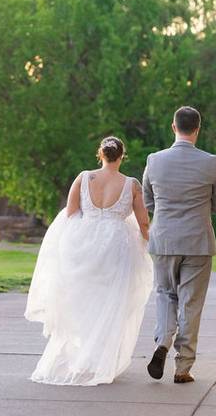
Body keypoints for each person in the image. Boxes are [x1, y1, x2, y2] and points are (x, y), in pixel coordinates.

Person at [24, 136, 153, 385]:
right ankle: (99, 360)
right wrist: (148, 242)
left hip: (83, 245)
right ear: (122, 156)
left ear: (100, 154)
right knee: (110, 302)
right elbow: (143, 222)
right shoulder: (131, 184)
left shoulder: (84, 178)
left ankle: (84, 355)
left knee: (82, 300)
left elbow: (71, 213)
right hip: (116, 246)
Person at [143, 106, 216, 384]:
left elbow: (148, 201)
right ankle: (183, 367)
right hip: (198, 242)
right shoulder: (210, 161)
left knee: (165, 294)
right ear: (197, 129)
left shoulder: (154, 160)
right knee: (191, 303)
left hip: (164, 239)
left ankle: (162, 342)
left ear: (173, 127)